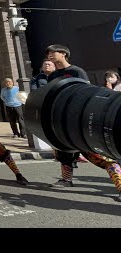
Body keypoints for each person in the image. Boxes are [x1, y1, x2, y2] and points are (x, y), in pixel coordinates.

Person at [45, 44, 121, 201]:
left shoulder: (77, 71)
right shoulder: (52, 76)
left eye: (53, 52)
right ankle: (66, 180)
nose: (50, 55)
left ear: (64, 54)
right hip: (62, 120)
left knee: (103, 157)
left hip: (79, 120)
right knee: (64, 152)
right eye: (49, 53)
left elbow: (86, 94)